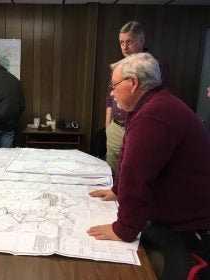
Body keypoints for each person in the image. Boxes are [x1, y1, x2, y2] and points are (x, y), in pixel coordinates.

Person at [87, 53, 210, 279]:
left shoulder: (154, 115)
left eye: (114, 85)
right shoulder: (149, 105)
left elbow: (137, 175)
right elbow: (127, 157)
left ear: (133, 83)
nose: (112, 93)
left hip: (187, 225)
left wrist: (123, 229)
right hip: (175, 214)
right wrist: (117, 190)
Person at [105, 20, 168, 175]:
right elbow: (109, 97)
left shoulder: (154, 66)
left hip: (137, 128)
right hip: (115, 126)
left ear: (141, 40)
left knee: (132, 172)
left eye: (129, 42)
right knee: (111, 171)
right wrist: (108, 125)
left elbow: (153, 101)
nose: (125, 47)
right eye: (121, 43)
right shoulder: (119, 67)